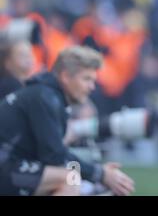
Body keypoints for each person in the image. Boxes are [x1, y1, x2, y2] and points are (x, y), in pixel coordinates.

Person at [0, 45, 135, 196]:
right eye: (86, 79)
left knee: (71, 178)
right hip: (5, 168)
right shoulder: (45, 98)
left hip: (10, 167)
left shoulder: (45, 94)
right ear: (65, 76)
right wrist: (99, 173)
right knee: (70, 179)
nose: (92, 87)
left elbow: (54, 156)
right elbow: (55, 157)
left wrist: (94, 173)